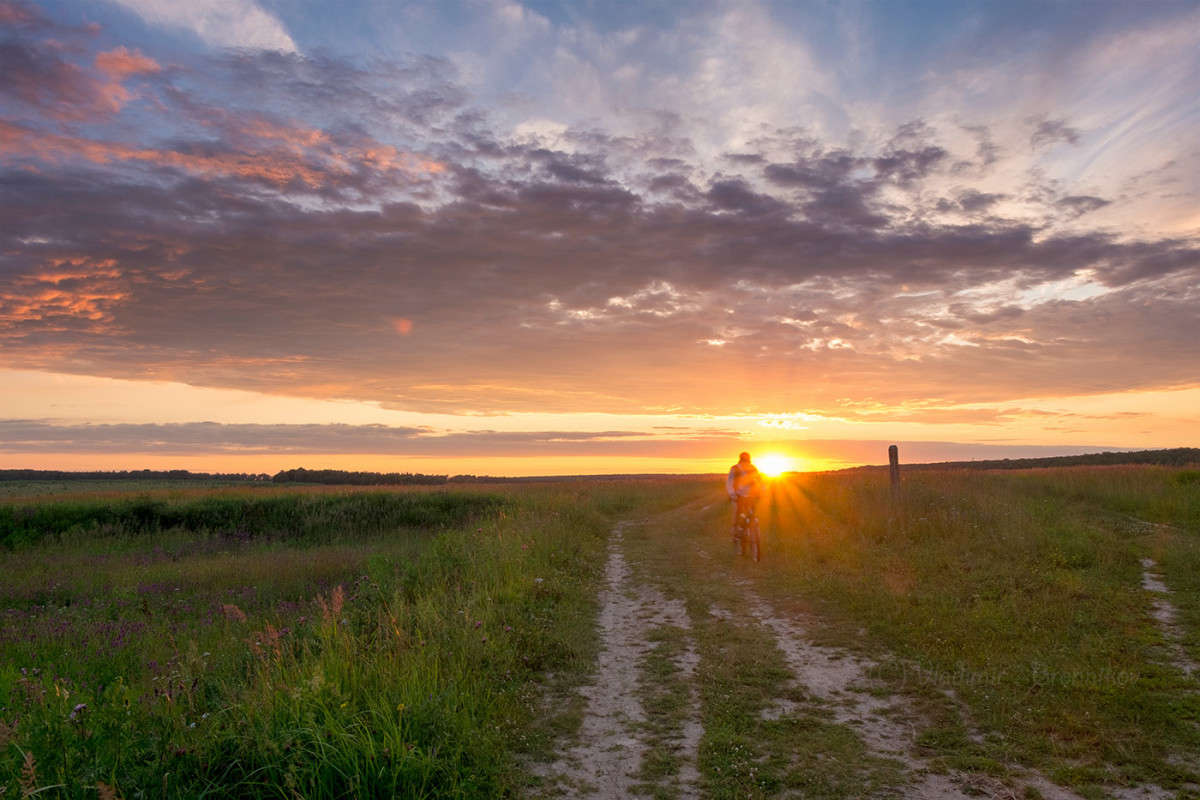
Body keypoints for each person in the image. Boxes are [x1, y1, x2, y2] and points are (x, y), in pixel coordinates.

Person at [726, 451, 763, 559]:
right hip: (738, 497)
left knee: (751, 516)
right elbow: (730, 482)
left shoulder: (753, 468)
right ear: (741, 459)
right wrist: (732, 494)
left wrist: (762, 490)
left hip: (751, 496)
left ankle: (751, 534)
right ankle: (737, 535)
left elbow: (759, 480)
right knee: (739, 516)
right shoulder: (735, 468)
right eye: (745, 459)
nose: (746, 461)